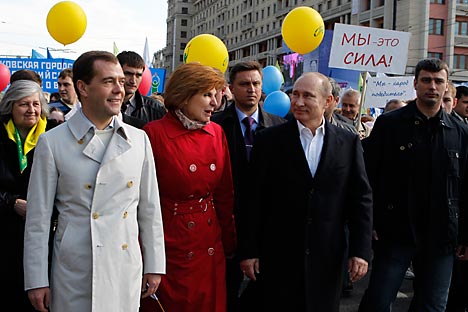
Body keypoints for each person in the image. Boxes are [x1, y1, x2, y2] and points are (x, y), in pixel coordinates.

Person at [23, 51, 166, 312]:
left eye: (121, 82)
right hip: (74, 270)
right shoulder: (52, 142)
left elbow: (149, 209)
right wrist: (36, 279)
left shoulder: (139, 140)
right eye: (108, 81)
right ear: (83, 88)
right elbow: (38, 219)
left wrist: (155, 265)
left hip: (124, 266)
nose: (119, 90)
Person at [238, 72, 373, 312]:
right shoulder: (269, 140)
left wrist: (360, 251)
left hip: (327, 257)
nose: (298, 102)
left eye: (308, 96)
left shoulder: (348, 142)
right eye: (295, 95)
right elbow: (253, 199)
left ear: (328, 101)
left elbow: (360, 199)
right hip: (279, 255)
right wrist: (249, 251)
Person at [358, 58, 468, 312]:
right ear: (415, 84)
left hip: (442, 237)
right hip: (396, 232)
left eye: (438, 81)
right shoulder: (390, 124)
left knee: (432, 306)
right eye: (426, 80)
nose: (432, 86)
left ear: (446, 86)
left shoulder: (459, 132)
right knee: (377, 300)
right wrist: (372, 222)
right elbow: (370, 176)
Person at [140, 62, 236, 312]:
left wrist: (230, 240)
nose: (214, 103)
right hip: (170, 242)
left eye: (216, 94)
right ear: (183, 96)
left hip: (209, 241)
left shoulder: (217, 132)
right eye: (206, 95)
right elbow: (140, 200)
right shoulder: (153, 134)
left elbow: (225, 194)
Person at [211, 60, 286, 312]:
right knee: (227, 289)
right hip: (226, 221)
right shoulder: (216, 125)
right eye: (244, 84)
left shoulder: (280, 126)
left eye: (256, 84)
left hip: (266, 224)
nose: (251, 89)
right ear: (231, 87)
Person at [0, 79, 58, 311]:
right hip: (5, 233)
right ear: (10, 106)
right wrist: (11, 203)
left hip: (46, 237)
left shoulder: (55, 136)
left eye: (36, 104)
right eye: (24, 104)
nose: (32, 110)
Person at [117, 51, 166, 124]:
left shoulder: (156, 109)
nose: (133, 80)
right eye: (128, 74)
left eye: (138, 75)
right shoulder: (101, 106)